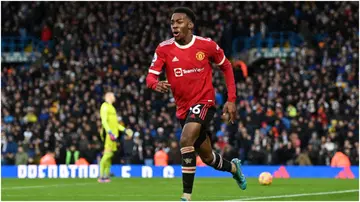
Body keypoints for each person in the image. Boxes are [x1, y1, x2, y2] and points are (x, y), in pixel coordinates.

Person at [146, 7, 246, 201]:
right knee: (208, 158)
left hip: (204, 101)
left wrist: (231, 99)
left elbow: (226, 66)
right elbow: (150, 76)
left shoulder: (206, 45)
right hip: (183, 109)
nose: (174, 25)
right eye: (172, 22)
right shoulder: (164, 48)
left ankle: (186, 196)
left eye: (179, 21)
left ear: (190, 25)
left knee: (185, 141)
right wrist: (155, 84)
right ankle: (234, 168)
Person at [98, 92, 133, 183]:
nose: (114, 97)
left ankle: (106, 175)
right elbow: (104, 121)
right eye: (113, 96)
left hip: (114, 135)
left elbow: (116, 124)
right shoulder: (105, 106)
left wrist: (125, 130)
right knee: (107, 155)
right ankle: (101, 175)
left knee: (110, 156)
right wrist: (109, 132)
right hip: (109, 135)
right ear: (108, 97)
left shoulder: (112, 108)